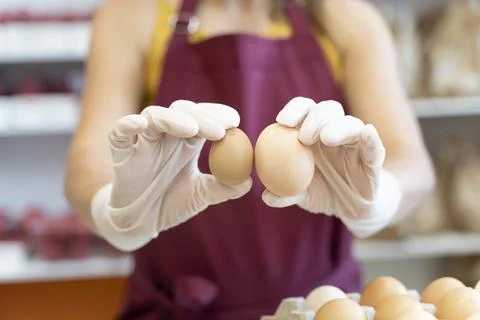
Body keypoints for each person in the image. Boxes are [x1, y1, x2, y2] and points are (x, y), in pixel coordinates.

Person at [64, 0, 435, 319]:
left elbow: (413, 163)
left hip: (322, 308)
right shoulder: (134, 16)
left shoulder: (345, 20)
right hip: (178, 307)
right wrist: (112, 209)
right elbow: (87, 159)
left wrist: (381, 196)